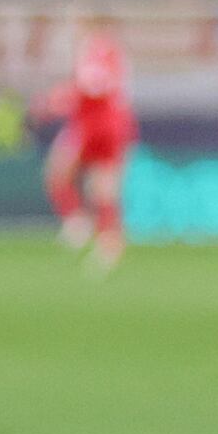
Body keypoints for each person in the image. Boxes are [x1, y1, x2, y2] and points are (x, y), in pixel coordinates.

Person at [41, 28, 134, 272]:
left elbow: (89, 87)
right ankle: (104, 239)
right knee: (100, 187)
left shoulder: (92, 50)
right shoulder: (113, 52)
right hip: (114, 124)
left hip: (92, 124)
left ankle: (79, 223)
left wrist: (54, 102)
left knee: (62, 173)